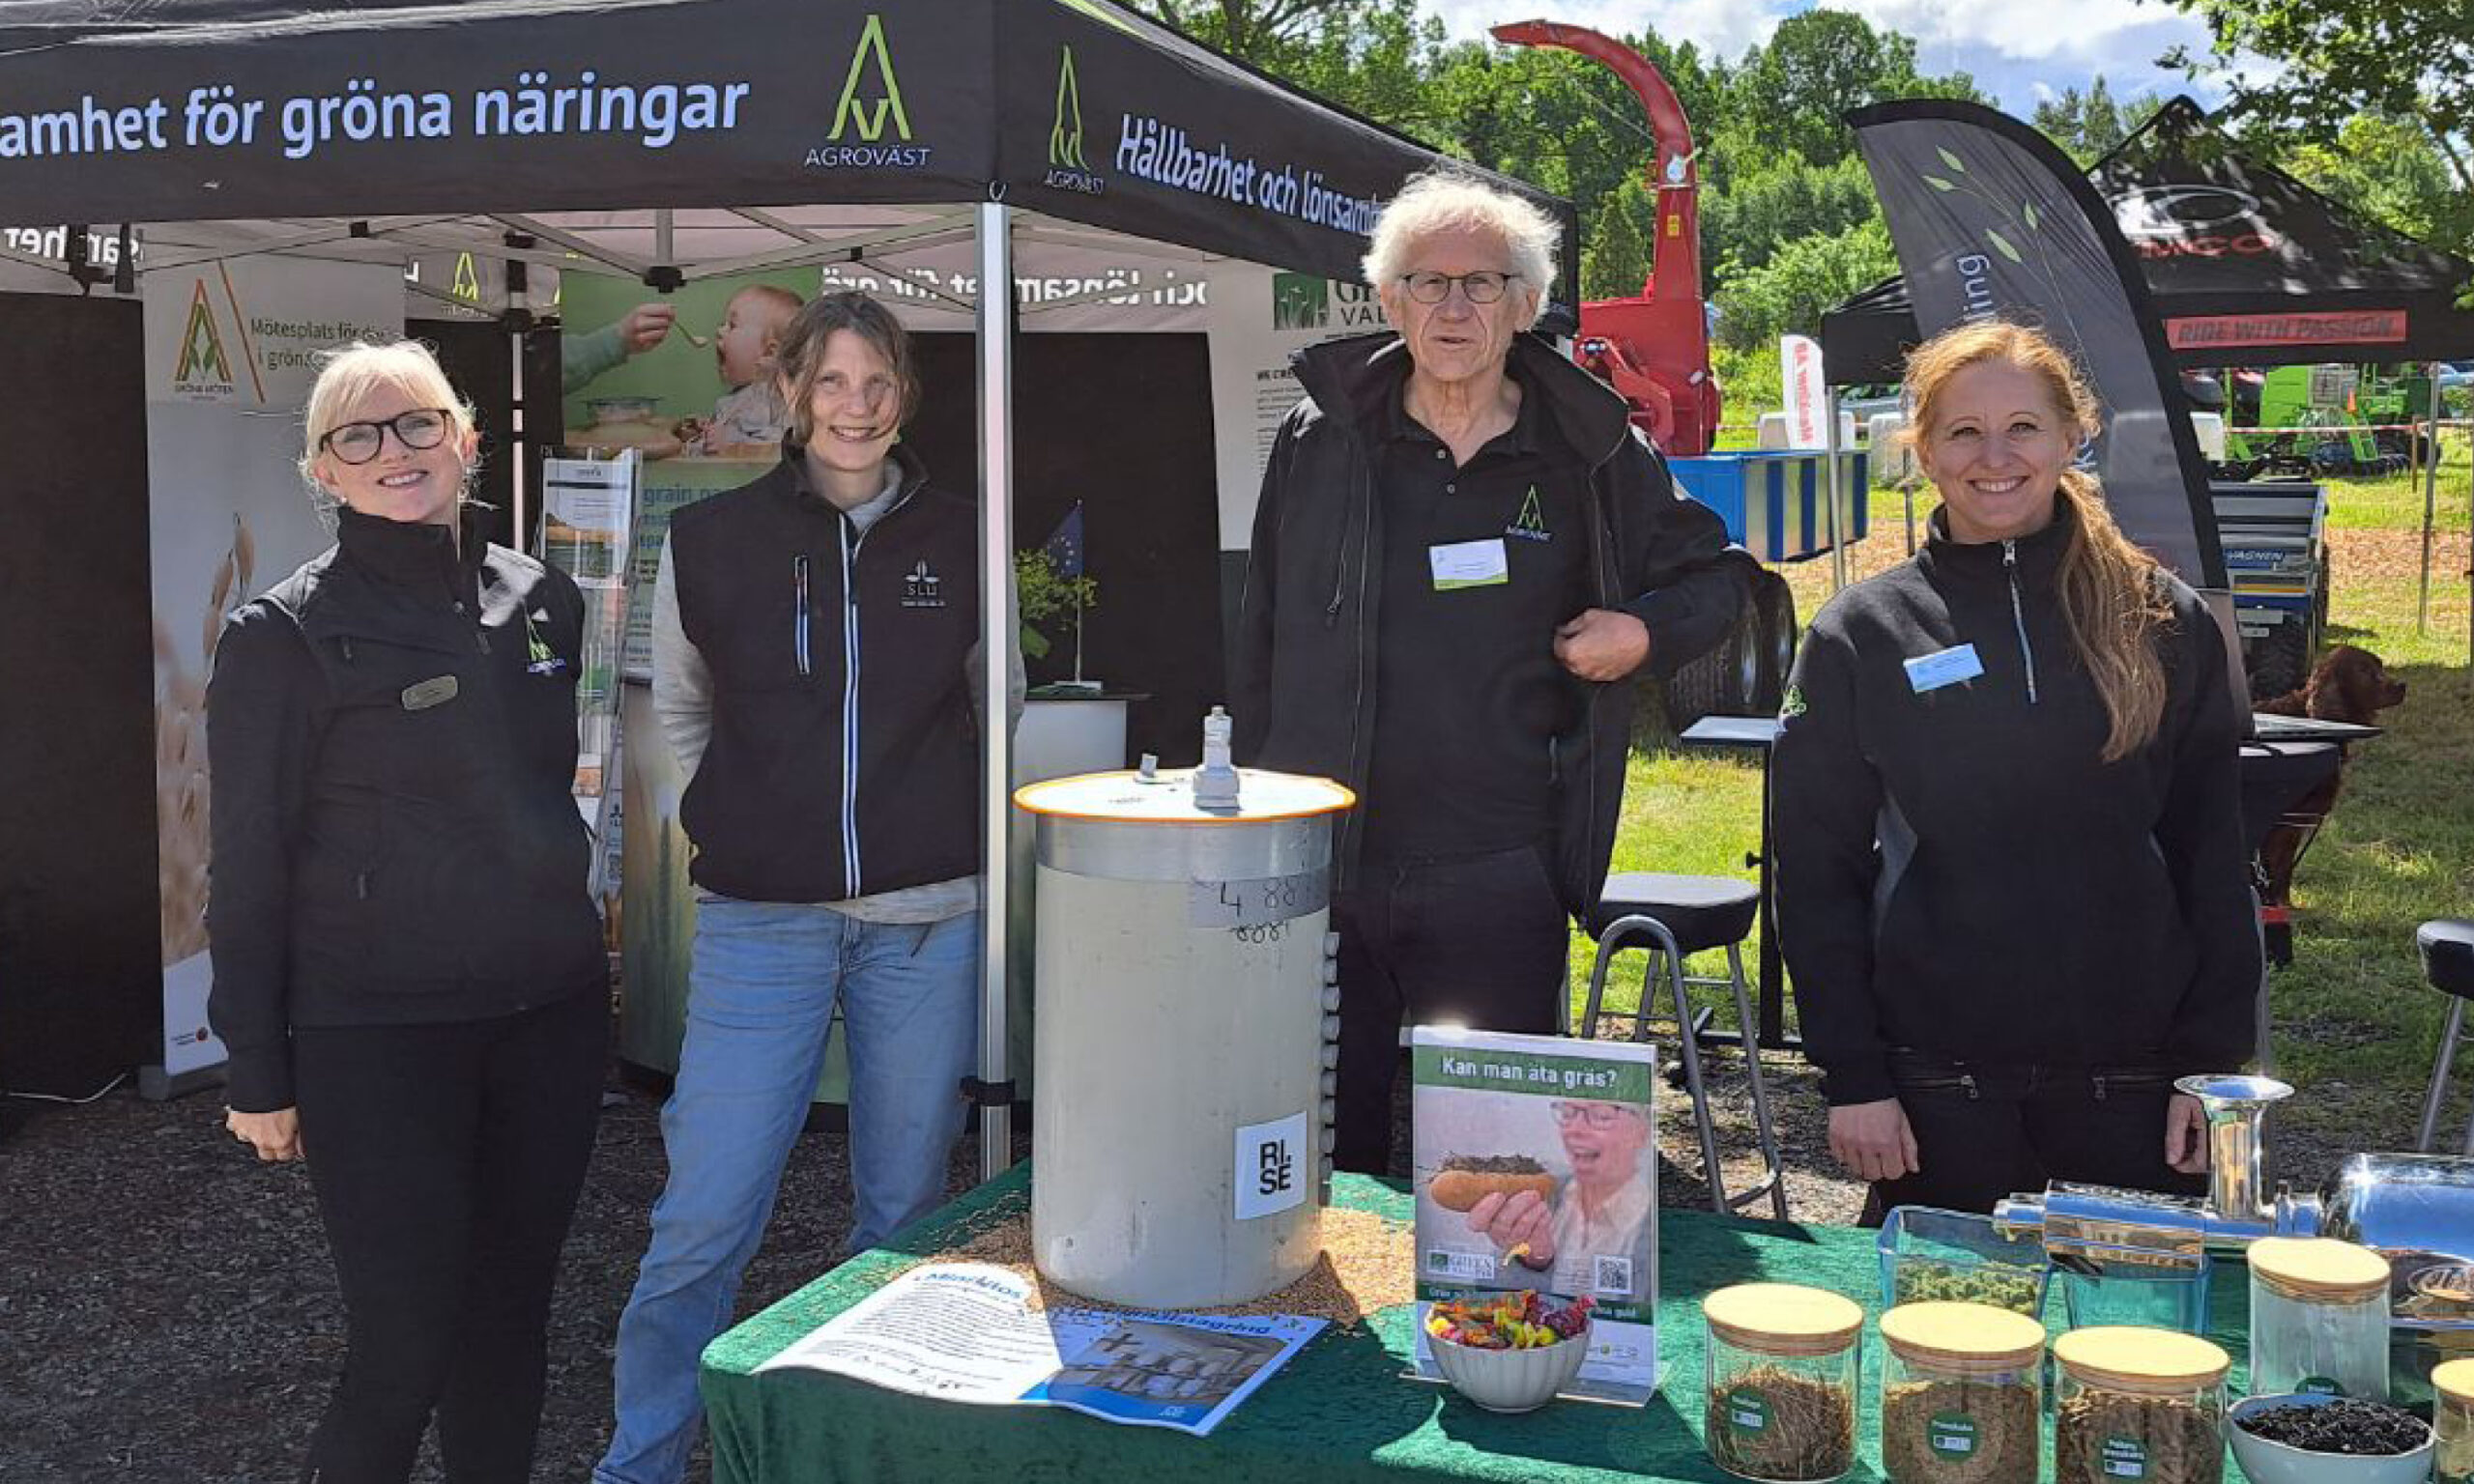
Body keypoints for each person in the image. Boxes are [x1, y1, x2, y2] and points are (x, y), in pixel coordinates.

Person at [1232, 168, 1757, 1176]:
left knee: (1494, 1169)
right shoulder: (1321, 439)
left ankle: (1486, 1334)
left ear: (1527, 306)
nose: (1455, 307)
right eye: (1428, 282)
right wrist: (1264, 812)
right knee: (1316, 1156)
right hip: (1332, 860)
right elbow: (1259, 633)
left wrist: (1641, 635)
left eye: (1484, 283)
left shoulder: (1589, 449)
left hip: (1500, 864)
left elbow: (1720, 580)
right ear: (1388, 302)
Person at [595, 291, 1016, 1484]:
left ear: (904, 398)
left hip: (923, 923)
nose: (856, 407)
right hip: (759, 923)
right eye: (831, 383)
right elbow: (677, 708)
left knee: (902, 1214)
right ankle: (642, 1458)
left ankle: (865, 1448)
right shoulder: (715, 539)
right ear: (789, 394)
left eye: (877, 383)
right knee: (704, 1218)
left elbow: (1001, 705)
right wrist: (742, 819)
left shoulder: (963, 534)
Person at [209, 340, 610, 1483]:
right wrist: (256, 1065)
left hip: (549, 1017)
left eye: (419, 423)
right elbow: (245, 861)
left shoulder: (543, 597)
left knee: (508, 1326)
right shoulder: (280, 637)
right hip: (376, 1038)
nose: (396, 451)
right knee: (404, 1342)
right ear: (323, 471)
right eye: (359, 435)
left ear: (467, 439)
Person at [1772, 318, 2258, 1219]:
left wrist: (2211, 1067)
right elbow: (1816, 878)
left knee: (2133, 1351)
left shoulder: (2163, 618)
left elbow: (2215, 852)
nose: (1994, 456)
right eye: (1963, 431)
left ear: (2074, 436)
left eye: (2024, 427)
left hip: (2137, 1082)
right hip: (1938, 1084)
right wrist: (1854, 1077)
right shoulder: (1862, 633)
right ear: (1921, 449)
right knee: (1944, 1350)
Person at [1463, 1099, 1656, 1305]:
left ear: (1641, 1133)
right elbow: (1489, 1301)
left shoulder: (1654, 1222)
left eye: (1601, 1115)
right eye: (1568, 1113)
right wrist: (1529, 1262)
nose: (1575, 1129)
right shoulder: (1542, 1192)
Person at [682, 282, 802, 457]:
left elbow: (786, 442)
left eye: (732, 325)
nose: (719, 331)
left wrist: (732, 444)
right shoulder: (738, 399)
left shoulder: (773, 399)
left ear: (769, 352)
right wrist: (704, 432)